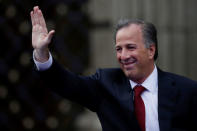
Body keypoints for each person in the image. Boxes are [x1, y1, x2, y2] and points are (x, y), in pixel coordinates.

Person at [30, 6, 197, 131]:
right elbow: (66, 84)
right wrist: (41, 52)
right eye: (119, 49)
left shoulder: (187, 90)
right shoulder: (105, 84)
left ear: (151, 50)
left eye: (130, 47)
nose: (123, 56)